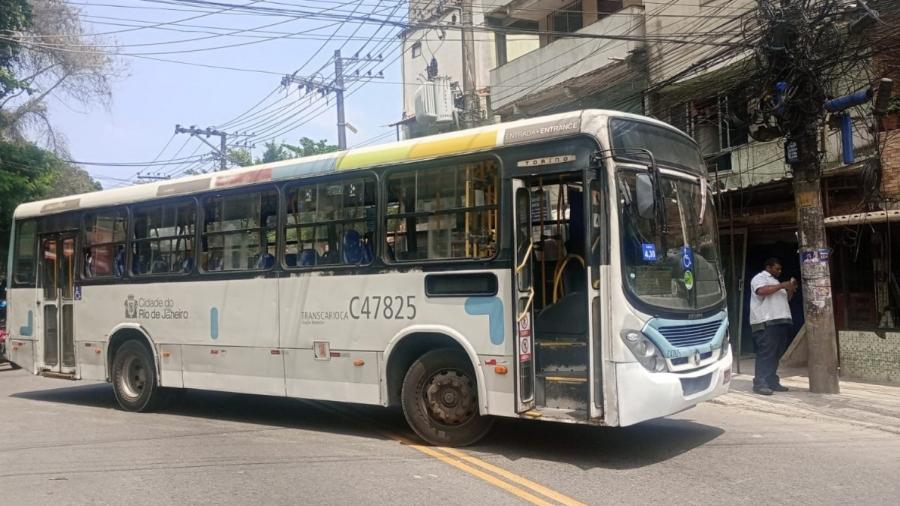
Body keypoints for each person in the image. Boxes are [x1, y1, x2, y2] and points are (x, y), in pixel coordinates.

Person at [749, 258, 797, 395]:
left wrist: (790, 289)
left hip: (781, 321)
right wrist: (782, 285)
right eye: (777, 268)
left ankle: (771, 381)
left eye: (780, 269)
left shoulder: (776, 282)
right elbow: (761, 291)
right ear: (768, 268)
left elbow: (785, 299)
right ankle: (759, 383)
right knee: (766, 353)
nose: (779, 271)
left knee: (776, 354)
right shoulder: (760, 278)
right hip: (766, 322)